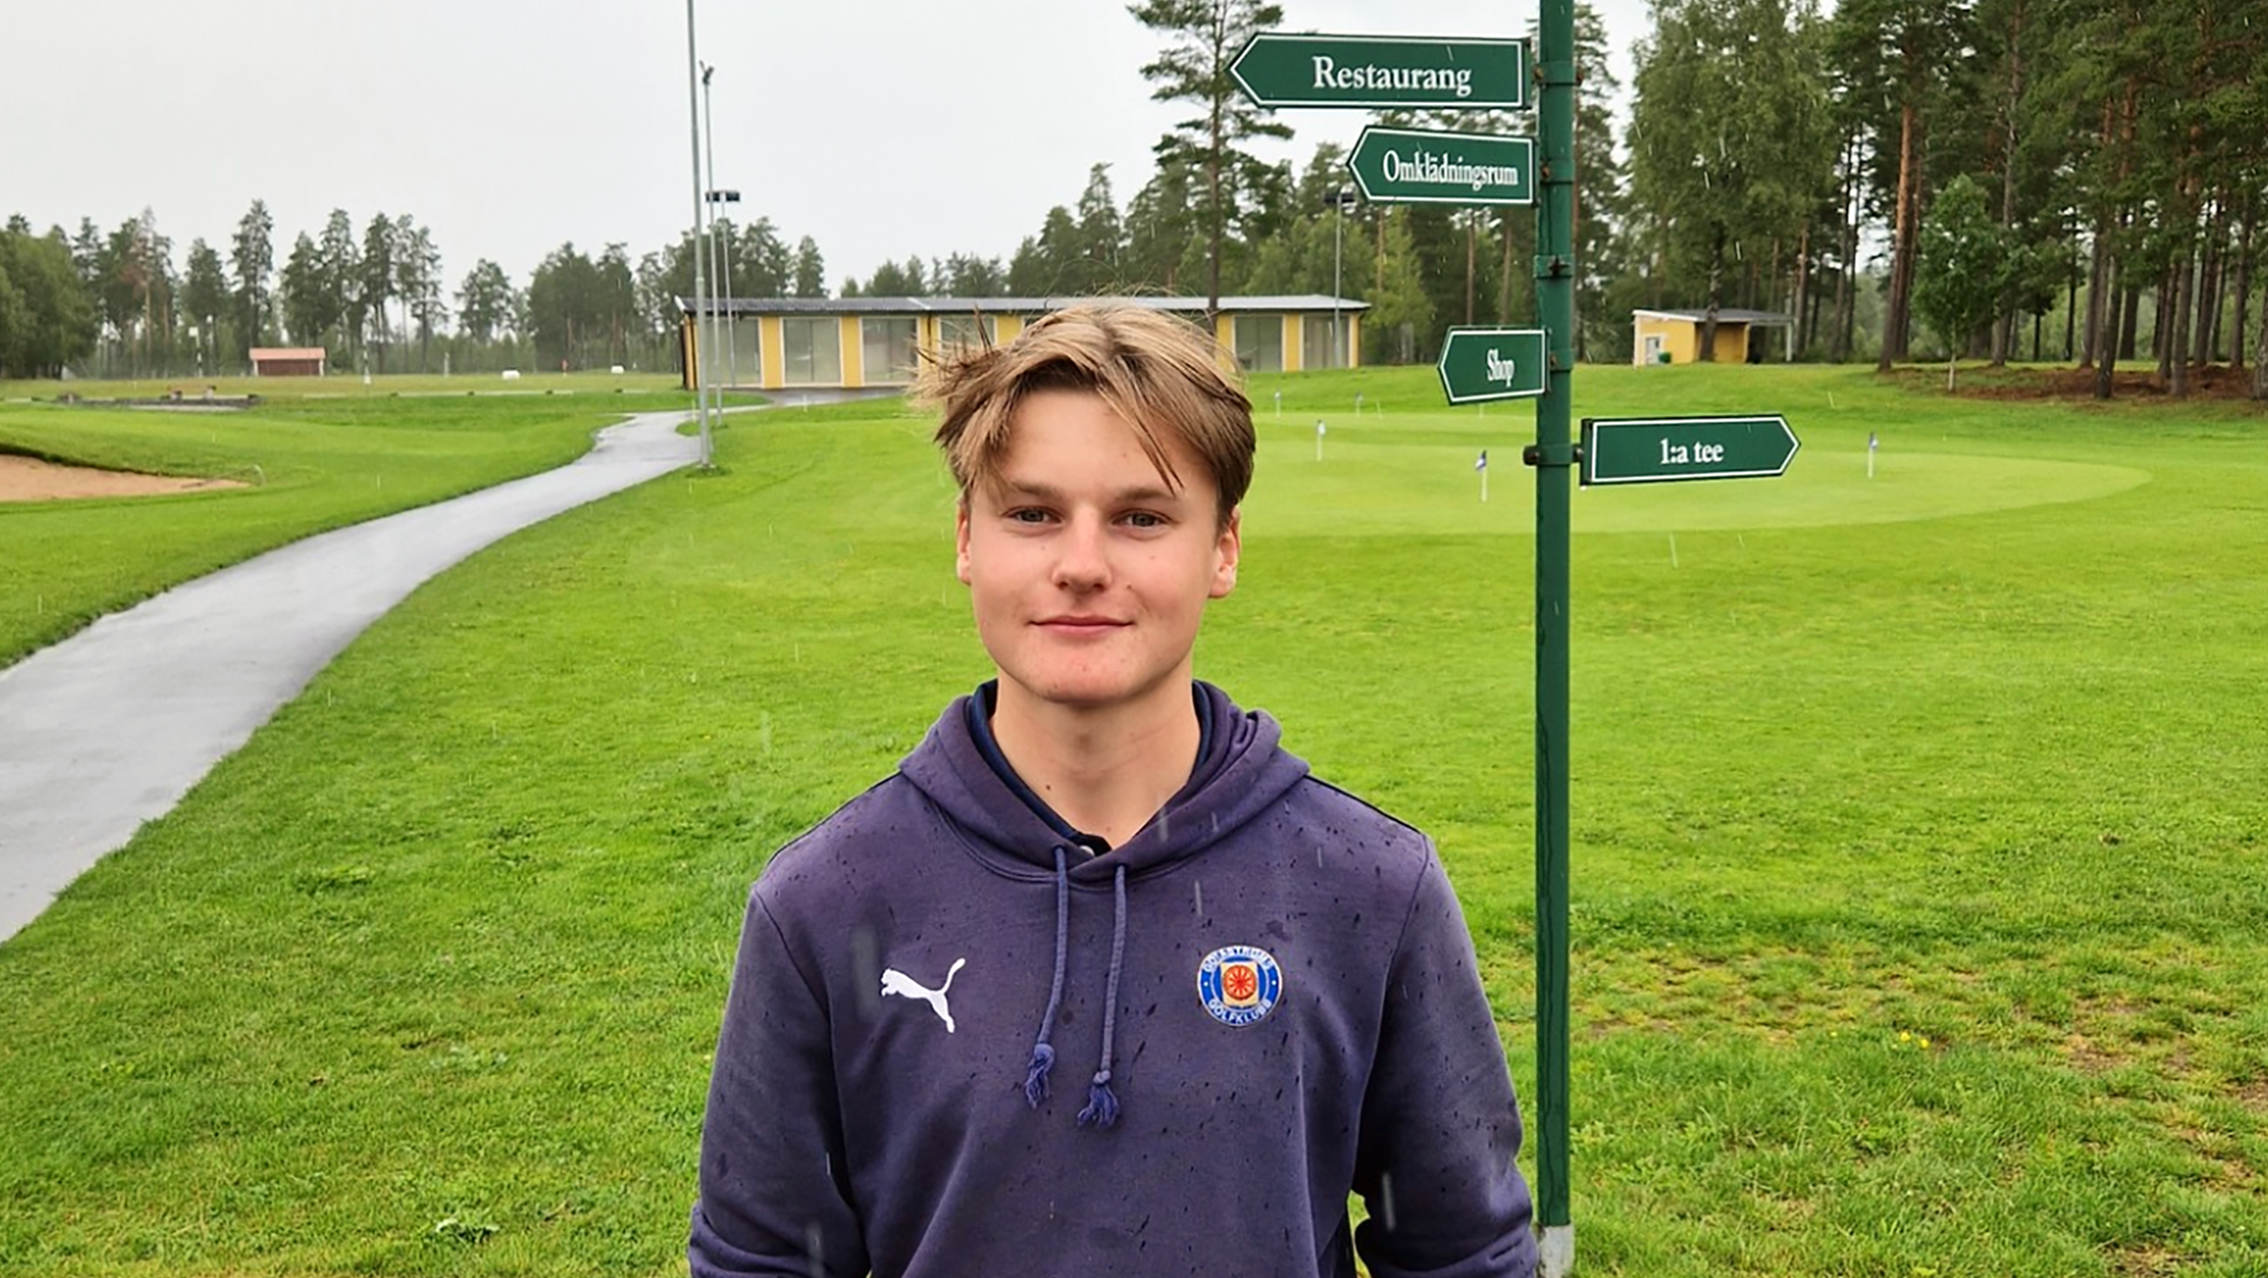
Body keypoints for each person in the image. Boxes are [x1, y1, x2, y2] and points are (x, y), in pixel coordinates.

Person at [688, 304, 1536, 1278]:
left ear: (1223, 547)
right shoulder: (822, 906)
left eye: (1141, 517)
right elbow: (762, 1262)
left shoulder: (1373, 889)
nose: (1082, 565)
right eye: (1032, 514)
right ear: (966, 539)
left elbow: (1465, 1254)